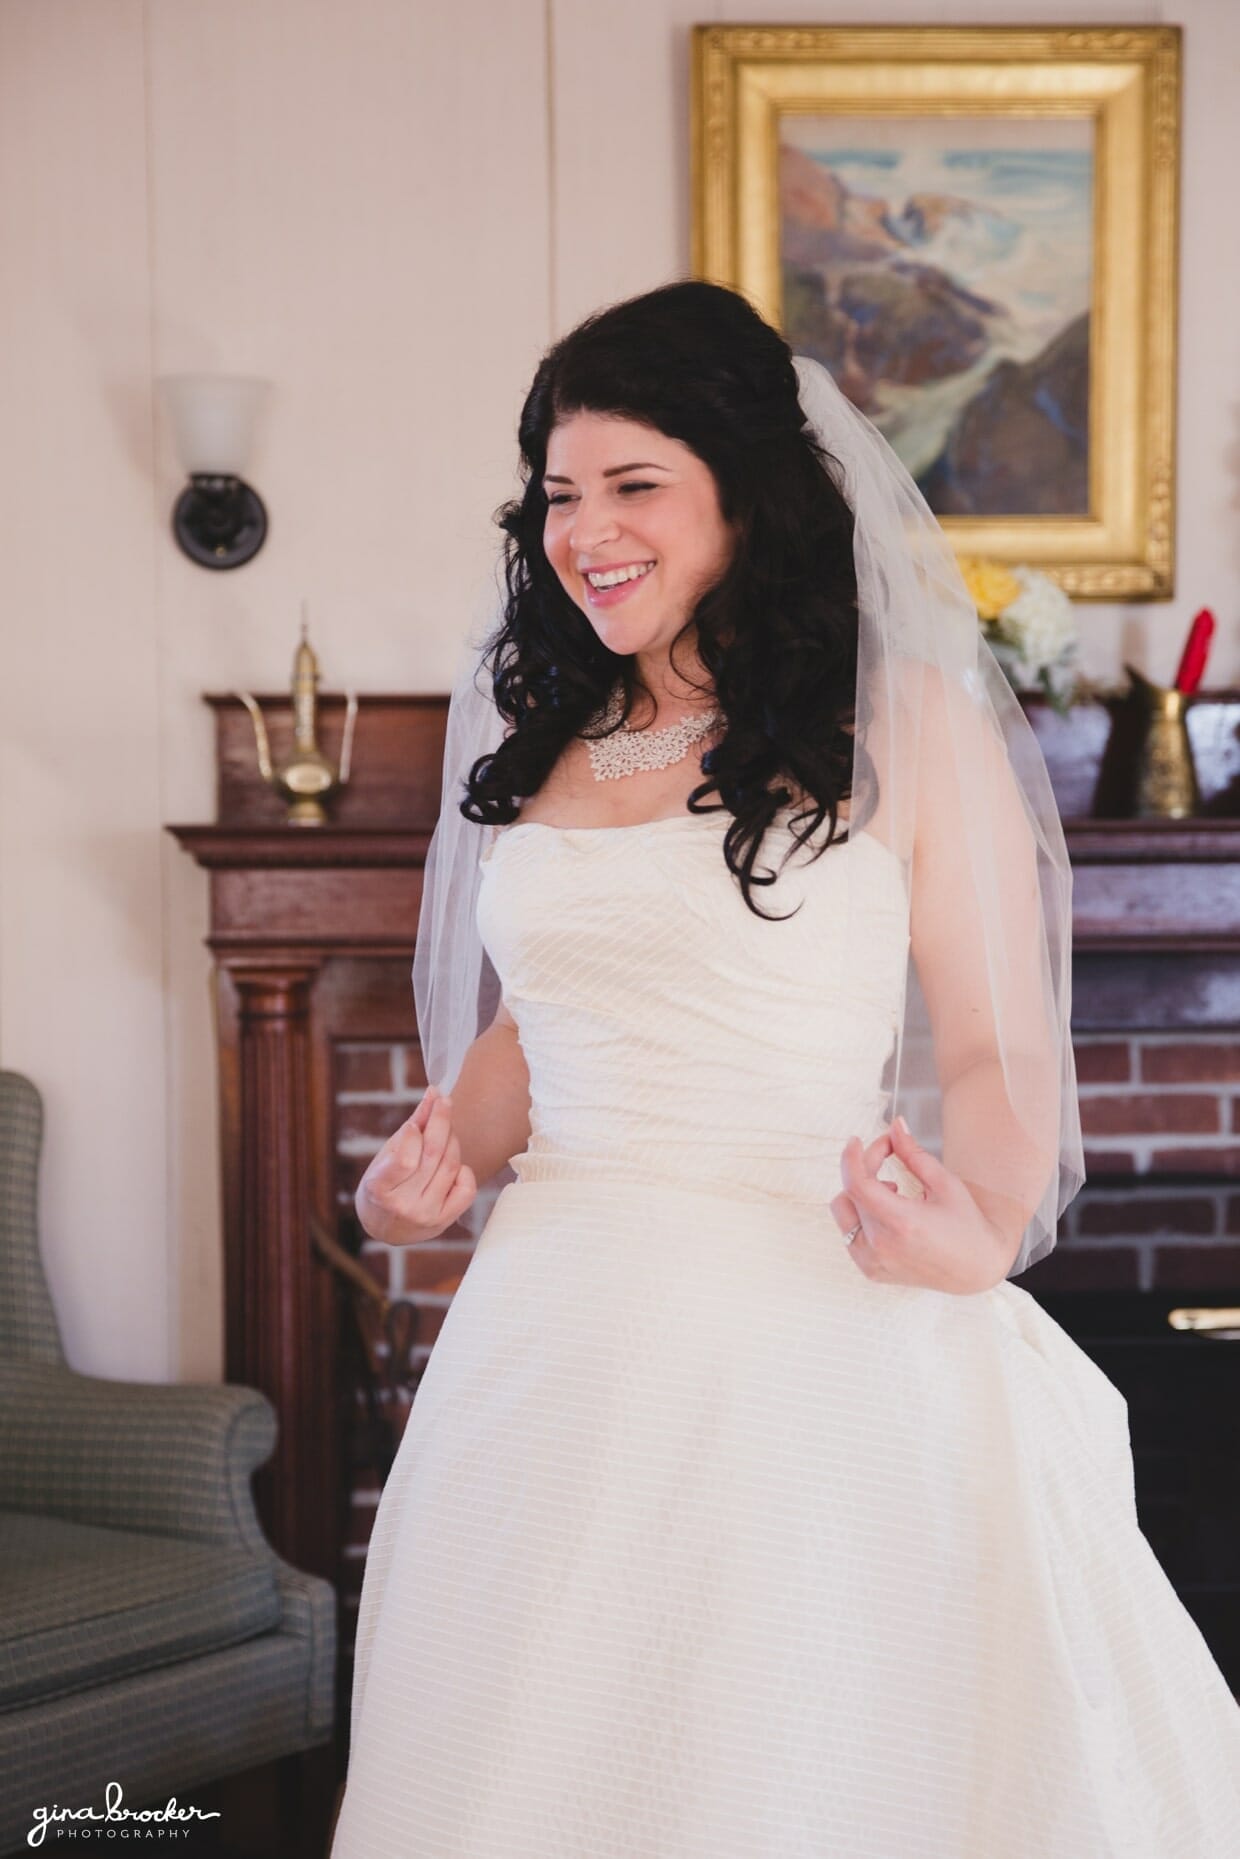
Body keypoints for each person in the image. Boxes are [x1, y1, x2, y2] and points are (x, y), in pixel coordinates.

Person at [329, 281, 1240, 1857]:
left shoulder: (904, 724)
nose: (585, 530)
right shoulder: (552, 738)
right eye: (559, 491)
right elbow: (539, 1022)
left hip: (806, 1334)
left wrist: (987, 1220)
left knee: (783, 1762)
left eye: (634, 487)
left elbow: (992, 1046)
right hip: (551, 1346)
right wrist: (426, 1178)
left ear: (743, 497)